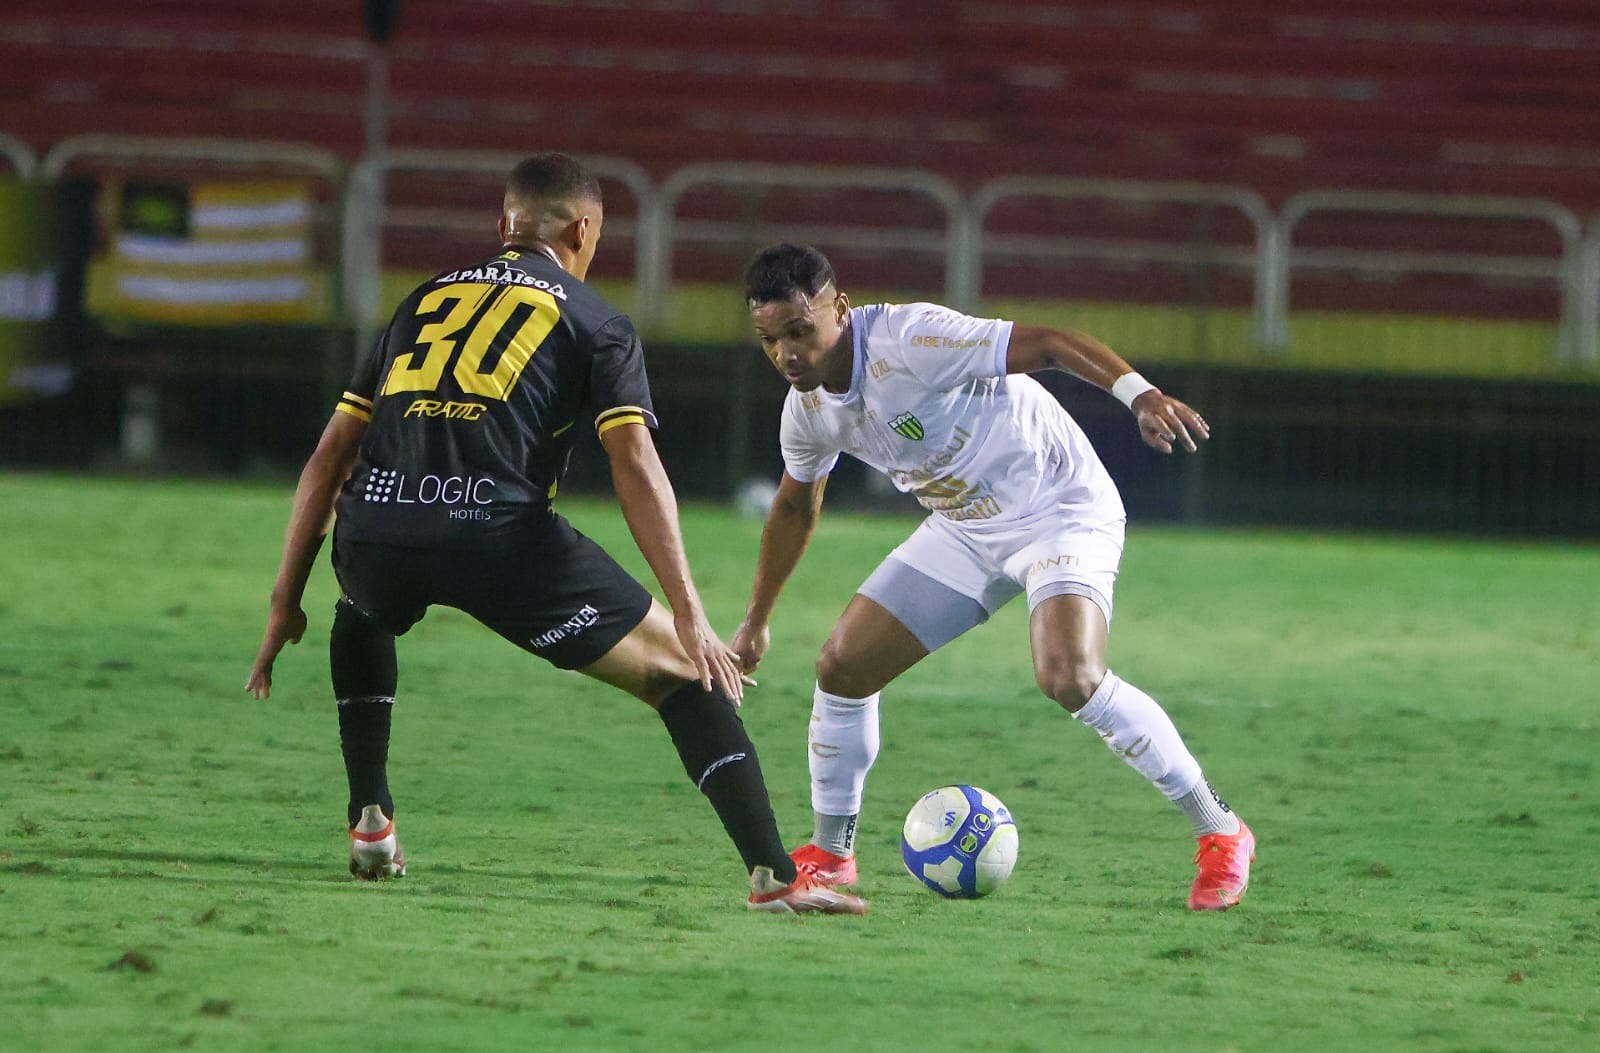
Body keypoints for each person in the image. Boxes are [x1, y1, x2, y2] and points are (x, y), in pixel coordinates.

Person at [244, 157, 864, 915]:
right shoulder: (595, 321)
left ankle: (371, 818)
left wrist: (284, 600)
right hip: (501, 543)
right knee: (680, 674)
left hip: (378, 530)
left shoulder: (419, 299)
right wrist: (689, 611)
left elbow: (328, 455)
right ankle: (773, 874)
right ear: (584, 230)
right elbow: (633, 462)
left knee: (363, 608)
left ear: (504, 225)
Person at [731, 243, 1254, 911]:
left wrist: (1141, 394)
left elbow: (1052, 344)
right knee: (842, 665)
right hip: (964, 527)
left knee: (1070, 675)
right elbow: (794, 506)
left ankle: (1222, 830)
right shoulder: (807, 412)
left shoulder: (913, 338)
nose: (787, 354)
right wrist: (755, 620)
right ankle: (833, 855)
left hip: (1059, 508)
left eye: (799, 332)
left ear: (841, 308)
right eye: (770, 339)